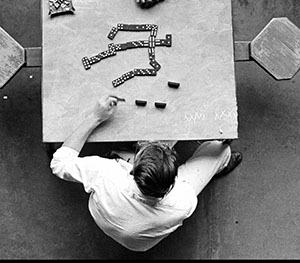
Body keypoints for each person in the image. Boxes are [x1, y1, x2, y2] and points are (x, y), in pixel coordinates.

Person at [50, 95, 242, 252]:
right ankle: (222, 163)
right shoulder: (182, 201)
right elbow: (182, 188)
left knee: (158, 132)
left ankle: (123, 149)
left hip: (107, 217)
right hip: (139, 242)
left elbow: (59, 163)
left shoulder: (108, 174)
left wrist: (95, 117)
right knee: (219, 149)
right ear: (175, 179)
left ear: (132, 166)